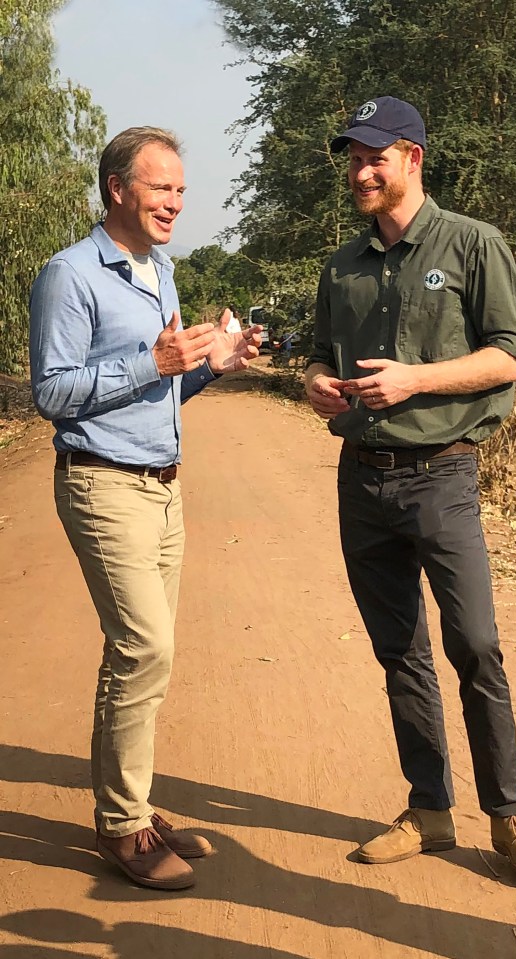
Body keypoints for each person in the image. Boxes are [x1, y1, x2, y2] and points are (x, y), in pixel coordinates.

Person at [305, 97, 516, 880]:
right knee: (400, 653)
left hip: (442, 475)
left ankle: (508, 816)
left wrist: (417, 378)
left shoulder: (473, 244)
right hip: (362, 483)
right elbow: (314, 358)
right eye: (352, 157)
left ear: (412, 157)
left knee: (475, 645)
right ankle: (429, 810)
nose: (360, 170)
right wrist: (313, 385)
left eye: (374, 156)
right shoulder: (341, 264)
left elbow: (511, 356)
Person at [29, 127, 262, 891]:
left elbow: (162, 387)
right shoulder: (70, 275)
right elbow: (51, 393)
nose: (175, 202)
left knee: (146, 656)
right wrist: (152, 359)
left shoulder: (160, 270)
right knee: (144, 647)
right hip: (102, 482)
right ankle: (121, 827)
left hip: (164, 484)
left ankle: (131, 801)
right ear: (117, 189)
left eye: (181, 190)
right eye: (161, 188)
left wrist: (210, 368)